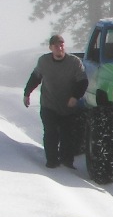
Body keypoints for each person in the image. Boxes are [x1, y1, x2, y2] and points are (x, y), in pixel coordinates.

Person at [24, 34, 89, 169]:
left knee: (67, 136)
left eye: (61, 45)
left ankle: (67, 162)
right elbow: (35, 78)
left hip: (68, 106)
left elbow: (83, 81)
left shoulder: (74, 62)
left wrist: (75, 97)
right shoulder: (44, 61)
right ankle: (52, 161)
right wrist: (27, 94)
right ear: (51, 48)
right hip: (49, 104)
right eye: (56, 46)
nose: (59, 48)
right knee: (51, 133)